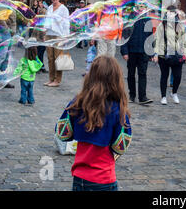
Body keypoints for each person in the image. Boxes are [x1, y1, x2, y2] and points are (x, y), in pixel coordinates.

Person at [55, 56, 132, 191]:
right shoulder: (118, 110)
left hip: (80, 178)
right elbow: (120, 147)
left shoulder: (77, 103)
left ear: (90, 77)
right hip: (104, 178)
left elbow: (62, 134)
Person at [153, 5, 186, 105]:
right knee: (164, 75)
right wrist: (156, 53)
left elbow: (184, 41)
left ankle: (174, 93)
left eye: (173, 13)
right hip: (163, 55)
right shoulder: (162, 25)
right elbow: (157, 40)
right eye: (169, 13)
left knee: (178, 76)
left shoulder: (180, 25)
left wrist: (185, 54)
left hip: (177, 55)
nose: (171, 14)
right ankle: (163, 96)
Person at [120, 17, 154, 106]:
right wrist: (124, 52)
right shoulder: (130, 20)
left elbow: (150, 37)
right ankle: (132, 95)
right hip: (131, 51)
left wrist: (151, 53)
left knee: (142, 74)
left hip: (143, 52)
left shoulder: (147, 20)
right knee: (131, 74)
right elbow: (124, 37)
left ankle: (142, 97)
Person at [44, 0, 70, 87]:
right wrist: (44, 32)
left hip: (59, 35)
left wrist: (66, 37)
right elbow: (46, 20)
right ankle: (51, 79)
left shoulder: (63, 9)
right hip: (49, 34)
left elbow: (66, 23)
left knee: (57, 58)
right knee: (50, 58)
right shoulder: (50, 8)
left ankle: (57, 80)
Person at [36, 0, 47, 73]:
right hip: (41, 36)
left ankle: (41, 66)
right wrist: (43, 36)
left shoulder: (43, 11)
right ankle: (38, 67)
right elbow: (42, 25)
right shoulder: (43, 11)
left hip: (41, 35)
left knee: (41, 52)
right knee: (40, 52)